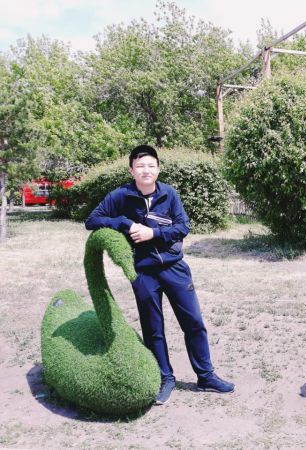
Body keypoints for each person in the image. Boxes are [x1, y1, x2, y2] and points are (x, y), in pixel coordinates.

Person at [85, 145, 234, 405]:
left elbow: (183, 226)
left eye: (151, 165)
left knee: (194, 323)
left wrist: (153, 233)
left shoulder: (169, 194)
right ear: (131, 170)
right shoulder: (120, 196)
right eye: (140, 166)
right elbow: (92, 220)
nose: (146, 170)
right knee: (153, 328)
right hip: (143, 272)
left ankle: (206, 376)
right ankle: (165, 378)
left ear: (158, 169)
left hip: (174, 268)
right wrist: (123, 223)